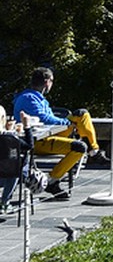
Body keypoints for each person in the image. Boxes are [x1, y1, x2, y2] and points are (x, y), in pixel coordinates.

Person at [13, 67, 103, 200]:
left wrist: (67, 123)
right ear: (47, 82)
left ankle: (94, 152)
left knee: (82, 114)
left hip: (48, 134)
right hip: (36, 141)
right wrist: (66, 123)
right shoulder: (28, 98)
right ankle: (52, 180)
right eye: (52, 81)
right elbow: (44, 118)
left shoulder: (38, 98)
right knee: (79, 148)